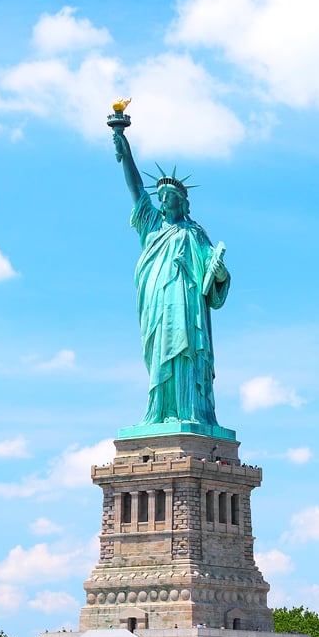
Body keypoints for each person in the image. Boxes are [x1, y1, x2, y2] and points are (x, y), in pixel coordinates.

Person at [113, 123, 230, 427]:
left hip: (187, 305)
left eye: (170, 197)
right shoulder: (151, 227)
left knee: (187, 352)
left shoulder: (194, 233)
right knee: (159, 354)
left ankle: (190, 411)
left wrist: (218, 273)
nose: (163, 200)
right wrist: (125, 151)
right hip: (157, 303)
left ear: (181, 202)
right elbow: (136, 190)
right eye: (161, 196)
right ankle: (159, 412)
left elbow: (213, 276)